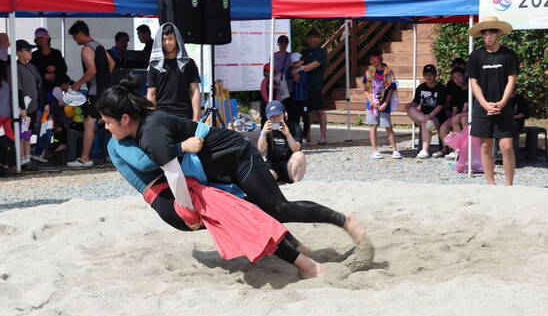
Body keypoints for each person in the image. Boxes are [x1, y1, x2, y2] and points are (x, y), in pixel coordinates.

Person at [97, 81, 374, 275]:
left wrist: (189, 212)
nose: (106, 128)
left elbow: (176, 178)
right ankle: (302, 251)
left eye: (108, 122)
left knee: (277, 209)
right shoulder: (143, 128)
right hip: (219, 172)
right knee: (252, 215)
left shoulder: (151, 134)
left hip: (238, 157)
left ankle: (344, 220)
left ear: (124, 118)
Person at [466, 16, 519, 185]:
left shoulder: (508, 54)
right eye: (484, 32)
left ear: (498, 34)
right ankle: (491, 184)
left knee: (507, 147)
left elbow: (512, 79)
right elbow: (473, 82)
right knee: (485, 147)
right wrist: (483, 103)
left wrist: (503, 102)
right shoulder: (475, 56)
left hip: (504, 106)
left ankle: (509, 184)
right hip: (483, 108)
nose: (488, 35)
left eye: (492, 31)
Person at [67, 20, 115, 168]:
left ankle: (85, 158)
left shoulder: (87, 49)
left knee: (89, 122)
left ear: (80, 34)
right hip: (108, 89)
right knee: (111, 121)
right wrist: (105, 78)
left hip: (96, 91)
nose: (75, 40)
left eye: (75, 37)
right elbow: (112, 64)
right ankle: (113, 156)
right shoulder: (99, 45)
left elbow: (92, 70)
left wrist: (78, 83)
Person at [146, 23, 201, 121]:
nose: (167, 42)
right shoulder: (154, 65)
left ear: (177, 40)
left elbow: (195, 91)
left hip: (184, 115)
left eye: (170, 39)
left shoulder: (188, 63)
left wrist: (196, 117)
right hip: (161, 116)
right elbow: (151, 94)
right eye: (164, 39)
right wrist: (151, 119)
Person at [363, 49, 401, 160]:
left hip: (384, 103)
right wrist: (371, 101)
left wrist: (385, 103)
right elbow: (365, 90)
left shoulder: (388, 72)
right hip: (371, 104)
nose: (373, 60)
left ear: (380, 57)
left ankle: (395, 150)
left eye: (375, 57)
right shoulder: (369, 72)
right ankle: (374, 150)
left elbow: (390, 89)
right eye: (371, 58)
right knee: (373, 125)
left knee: (388, 126)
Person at [258, 100, 306, 184]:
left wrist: (287, 134)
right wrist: (263, 133)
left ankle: (297, 185)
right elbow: (261, 150)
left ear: (285, 114)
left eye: (278, 115)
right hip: (272, 164)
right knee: (263, 177)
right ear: (267, 117)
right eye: (272, 117)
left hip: (289, 165)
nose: (275, 119)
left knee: (299, 155)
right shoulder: (267, 129)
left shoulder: (294, 127)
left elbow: (296, 149)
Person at [404, 64, 446, 159]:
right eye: (426, 74)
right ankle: (425, 120)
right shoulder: (421, 87)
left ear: (435, 75)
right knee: (411, 109)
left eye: (431, 74)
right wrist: (409, 105)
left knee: (425, 122)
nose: (429, 77)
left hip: (437, 117)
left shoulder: (440, 88)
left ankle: (425, 150)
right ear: (423, 76)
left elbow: (440, 105)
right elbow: (416, 103)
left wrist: (430, 115)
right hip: (423, 116)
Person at [15, 40, 43, 170]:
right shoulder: (14, 68)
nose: (31, 53)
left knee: (28, 133)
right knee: (22, 133)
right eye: (28, 50)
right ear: (19, 52)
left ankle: (27, 159)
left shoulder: (31, 67)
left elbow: (39, 85)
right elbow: (17, 89)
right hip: (23, 107)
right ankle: (21, 160)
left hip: (33, 106)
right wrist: (22, 107)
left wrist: (44, 103)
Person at [301, 29, 327, 145]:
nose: (312, 40)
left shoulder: (322, 51)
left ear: (319, 39)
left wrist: (300, 69)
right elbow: (298, 64)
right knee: (306, 112)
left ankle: (323, 137)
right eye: (310, 37)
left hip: (316, 86)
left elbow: (313, 65)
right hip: (304, 86)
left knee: (319, 111)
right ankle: (307, 136)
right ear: (307, 39)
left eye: (314, 37)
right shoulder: (303, 53)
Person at [438, 66, 469, 160]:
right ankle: (446, 149)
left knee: (459, 119)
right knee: (443, 127)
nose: (457, 80)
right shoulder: (456, 90)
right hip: (459, 115)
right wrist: (452, 119)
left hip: (470, 114)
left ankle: (459, 149)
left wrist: (457, 117)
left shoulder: (471, 88)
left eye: (459, 76)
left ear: (464, 76)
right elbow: (455, 108)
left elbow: (467, 107)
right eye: (454, 78)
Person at [30, 27, 67, 95]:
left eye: (42, 37)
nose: (40, 40)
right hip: (41, 89)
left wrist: (55, 70)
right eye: (38, 38)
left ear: (48, 38)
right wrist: (44, 76)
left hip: (58, 87)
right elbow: (32, 72)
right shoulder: (34, 55)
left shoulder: (56, 53)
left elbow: (64, 69)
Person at [285, 52, 309, 140]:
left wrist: (296, 72)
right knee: (295, 118)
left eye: (297, 62)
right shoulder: (289, 70)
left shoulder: (304, 70)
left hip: (303, 98)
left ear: (301, 61)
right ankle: (296, 136)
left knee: (305, 117)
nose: (295, 64)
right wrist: (294, 72)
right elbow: (287, 75)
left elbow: (299, 79)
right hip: (294, 98)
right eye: (293, 62)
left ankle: (305, 136)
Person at [259, 62, 278, 128]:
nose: (269, 73)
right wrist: (269, 102)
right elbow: (264, 93)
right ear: (265, 72)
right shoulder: (265, 81)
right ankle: (264, 136)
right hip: (266, 104)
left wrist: (277, 102)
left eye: (271, 71)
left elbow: (278, 92)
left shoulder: (275, 81)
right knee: (265, 120)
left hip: (275, 104)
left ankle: (275, 134)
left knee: (275, 119)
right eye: (268, 71)